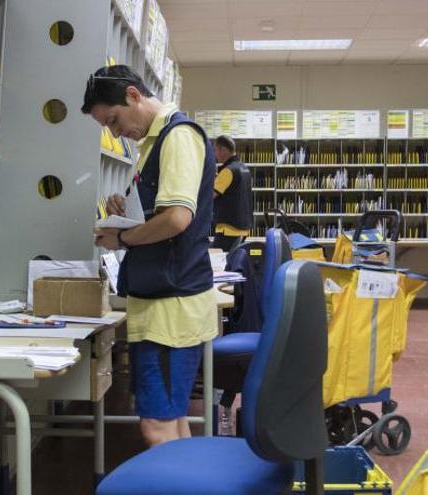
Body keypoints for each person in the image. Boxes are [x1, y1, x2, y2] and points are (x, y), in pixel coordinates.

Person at [83, 65, 217, 447]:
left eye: (113, 120)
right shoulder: (156, 145)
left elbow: (176, 218)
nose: (114, 132)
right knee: (171, 421)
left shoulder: (178, 137)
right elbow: (162, 213)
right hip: (161, 304)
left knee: (157, 425)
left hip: (170, 310)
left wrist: (123, 237)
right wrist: (128, 208)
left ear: (133, 95)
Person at [212, 135, 253, 252]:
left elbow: (212, 195)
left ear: (223, 150)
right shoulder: (244, 168)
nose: (215, 154)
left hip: (228, 228)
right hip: (243, 228)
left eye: (216, 150)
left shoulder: (228, 171)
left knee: (219, 263)